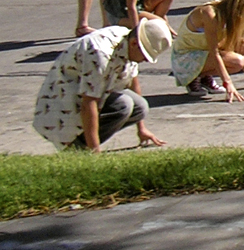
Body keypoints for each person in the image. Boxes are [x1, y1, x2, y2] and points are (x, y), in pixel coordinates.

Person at [33, 19, 172, 152]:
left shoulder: (128, 41)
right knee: (124, 106)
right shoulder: (100, 54)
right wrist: (95, 151)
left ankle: (85, 145)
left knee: (139, 107)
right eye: (145, 56)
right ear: (134, 43)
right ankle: (80, 150)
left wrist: (141, 129)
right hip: (65, 99)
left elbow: (132, 82)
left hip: (98, 90)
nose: (145, 61)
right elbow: (89, 103)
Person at [170, 0, 244, 100]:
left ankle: (203, 76)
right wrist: (227, 83)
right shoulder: (210, 14)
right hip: (184, 59)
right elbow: (214, 52)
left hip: (202, 52)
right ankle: (192, 77)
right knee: (237, 62)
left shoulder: (229, 14)